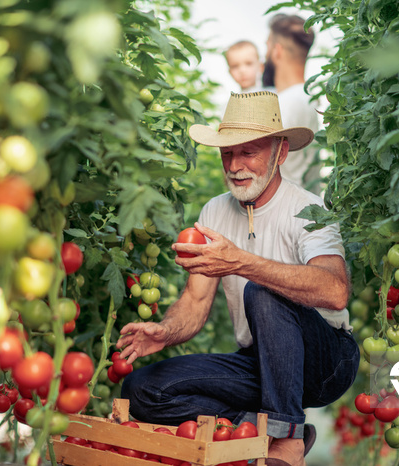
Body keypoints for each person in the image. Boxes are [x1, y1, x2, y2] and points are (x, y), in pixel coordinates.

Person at [117, 91, 359, 466]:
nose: (235, 165)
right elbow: (195, 303)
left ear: (280, 152)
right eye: (228, 153)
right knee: (142, 389)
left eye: (249, 152)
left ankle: (288, 440)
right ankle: (260, 427)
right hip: (261, 362)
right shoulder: (214, 210)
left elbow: (336, 291)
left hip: (325, 363)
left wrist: (242, 263)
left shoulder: (310, 210)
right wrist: (166, 331)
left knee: (262, 292)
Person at [263, 14, 322, 194]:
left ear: (277, 51)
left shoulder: (284, 104)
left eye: (266, 45)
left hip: (283, 212)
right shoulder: (310, 99)